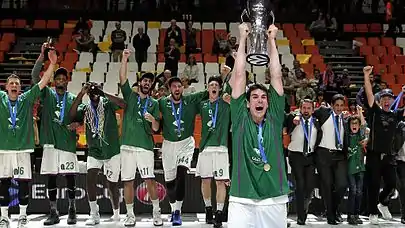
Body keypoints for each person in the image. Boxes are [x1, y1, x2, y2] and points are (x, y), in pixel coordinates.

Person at [227, 23, 289, 228]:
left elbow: (277, 76)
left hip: (274, 198)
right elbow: (238, 76)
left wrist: (272, 40)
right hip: (242, 199)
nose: (260, 100)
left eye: (263, 97)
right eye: (254, 97)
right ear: (247, 102)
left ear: (269, 102)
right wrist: (243, 38)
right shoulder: (239, 118)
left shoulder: (275, 118)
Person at [0, 50, 56, 228]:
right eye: (11, 84)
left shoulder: (26, 99)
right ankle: (4, 217)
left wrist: (52, 64)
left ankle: (23, 216)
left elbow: (43, 82)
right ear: (6, 87)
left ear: (20, 87)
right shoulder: (0, 99)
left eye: (17, 83)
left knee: (23, 183)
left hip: (24, 149)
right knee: (4, 183)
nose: (14, 85)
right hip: (4, 149)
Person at [30, 45, 82, 226]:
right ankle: (53, 211)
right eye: (57, 78)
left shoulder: (74, 98)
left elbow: (81, 116)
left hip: (67, 144)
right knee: (51, 177)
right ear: (54, 80)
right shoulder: (47, 94)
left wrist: (78, 123)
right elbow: (35, 76)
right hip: (50, 143)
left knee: (70, 178)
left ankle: (72, 209)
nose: (60, 80)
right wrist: (42, 56)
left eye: (63, 78)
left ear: (67, 81)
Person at [69, 82, 125, 226]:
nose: (94, 93)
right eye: (91, 91)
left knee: (112, 184)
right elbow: (72, 114)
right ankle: (94, 213)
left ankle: (117, 213)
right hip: (94, 150)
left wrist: (103, 93)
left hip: (111, 150)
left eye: (96, 90)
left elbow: (123, 103)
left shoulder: (107, 103)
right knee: (90, 178)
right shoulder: (85, 108)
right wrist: (81, 93)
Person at [118, 50, 163, 226]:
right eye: (145, 80)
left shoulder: (154, 103)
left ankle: (156, 212)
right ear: (140, 82)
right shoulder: (130, 95)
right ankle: (130, 215)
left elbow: (157, 128)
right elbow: (122, 77)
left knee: (149, 180)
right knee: (127, 181)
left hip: (145, 146)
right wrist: (124, 58)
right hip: (127, 146)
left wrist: (153, 120)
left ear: (151, 85)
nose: (147, 83)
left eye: (150, 81)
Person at [158, 77, 207, 225]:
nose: (177, 89)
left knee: (181, 175)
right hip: (168, 145)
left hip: (186, 143)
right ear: (169, 89)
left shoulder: (190, 100)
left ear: (183, 88)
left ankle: (178, 212)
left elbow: (209, 92)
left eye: (179, 86)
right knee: (170, 183)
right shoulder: (162, 102)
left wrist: (225, 77)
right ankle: (173, 210)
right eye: (174, 86)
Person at [362, 65, 405, 224]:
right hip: (373, 154)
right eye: (384, 99)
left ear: (393, 101)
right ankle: (373, 212)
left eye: (390, 99)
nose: (387, 101)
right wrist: (367, 76)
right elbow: (368, 92)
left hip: (389, 156)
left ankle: (382, 203)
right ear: (380, 101)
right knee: (373, 184)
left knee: (392, 184)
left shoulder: (396, 115)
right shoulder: (375, 112)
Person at [196, 76, 231, 228]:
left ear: (220, 88)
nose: (214, 87)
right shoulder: (202, 104)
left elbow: (232, 86)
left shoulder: (226, 103)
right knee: (205, 180)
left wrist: (227, 73)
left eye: (217, 84)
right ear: (208, 88)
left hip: (221, 148)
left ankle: (219, 214)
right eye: (211, 85)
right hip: (205, 148)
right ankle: (208, 209)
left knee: (220, 182)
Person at [312, 93, 351, 225]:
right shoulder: (323, 112)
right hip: (323, 154)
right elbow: (309, 111)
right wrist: (298, 115)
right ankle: (330, 215)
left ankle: (333, 209)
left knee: (342, 185)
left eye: (341, 105)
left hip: (340, 155)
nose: (339, 108)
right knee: (327, 185)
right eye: (337, 105)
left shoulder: (346, 119)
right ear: (332, 105)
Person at [285, 99, 321, 225]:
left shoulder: (316, 122)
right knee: (299, 186)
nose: (306, 111)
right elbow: (286, 127)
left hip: (310, 157)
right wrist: (294, 120)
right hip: (296, 156)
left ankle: (305, 206)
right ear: (300, 108)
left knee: (309, 186)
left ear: (312, 109)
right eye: (304, 108)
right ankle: (301, 216)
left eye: (308, 108)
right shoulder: (293, 119)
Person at [346, 108, 367, 225]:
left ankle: (357, 214)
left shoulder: (361, 136)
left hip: (360, 168)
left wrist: (360, 112)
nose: (354, 125)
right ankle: (350, 215)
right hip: (350, 168)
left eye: (356, 124)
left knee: (359, 192)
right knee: (353, 191)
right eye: (352, 123)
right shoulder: (347, 137)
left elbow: (364, 126)